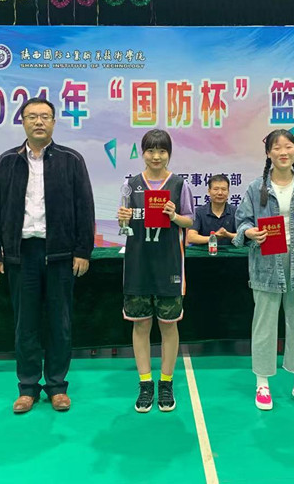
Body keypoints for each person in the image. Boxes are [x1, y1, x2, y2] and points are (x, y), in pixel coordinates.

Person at [0, 98, 95, 414]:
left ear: (54, 122)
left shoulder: (71, 160)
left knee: (60, 323)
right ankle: (28, 388)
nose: (38, 122)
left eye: (45, 116)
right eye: (32, 116)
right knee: (26, 324)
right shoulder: (8, 161)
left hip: (60, 254)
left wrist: (83, 251)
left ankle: (57, 387)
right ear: (22, 121)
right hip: (22, 254)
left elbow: (84, 207)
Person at [233, 129, 294, 411]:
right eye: (277, 147)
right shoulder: (255, 188)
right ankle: (262, 384)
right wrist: (249, 233)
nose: (283, 152)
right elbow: (242, 223)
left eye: (288, 146)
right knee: (264, 326)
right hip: (266, 263)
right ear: (268, 153)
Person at [117, 129, 194, 413]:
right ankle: (145, 383)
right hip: (138, 265)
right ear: (143, 153)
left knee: (169, 325)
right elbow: (123, 226)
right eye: (150, 150)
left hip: (169, 265)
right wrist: (122, 218)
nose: (156, 156)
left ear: (169, 154)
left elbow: (189, 221)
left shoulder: (179, 185)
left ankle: (166, 382)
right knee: (140, 325)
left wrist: (174, 216)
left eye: (162, 151)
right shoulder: (130, 185)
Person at [186, 173, 237, 246]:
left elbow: (244, 236)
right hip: (204, 252)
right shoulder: (198, 212)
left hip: (231, 252)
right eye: (216, 189)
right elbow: (191, 237)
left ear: (228, 192)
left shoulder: (236, 212)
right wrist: (213, 238)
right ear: (209, 191)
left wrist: (227, 234)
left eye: (224, 189)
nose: (220, 193)